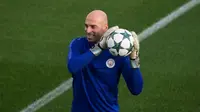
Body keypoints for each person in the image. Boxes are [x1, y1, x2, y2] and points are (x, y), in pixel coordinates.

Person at [67, 10, 143, 112]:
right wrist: (99, 48)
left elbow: (136, 89)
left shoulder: (118, 52)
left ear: (105, 28)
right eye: (86, 25)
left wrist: (134, 59)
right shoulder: (78, 44)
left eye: (93, 26)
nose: (88, 30)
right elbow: (72, 67)